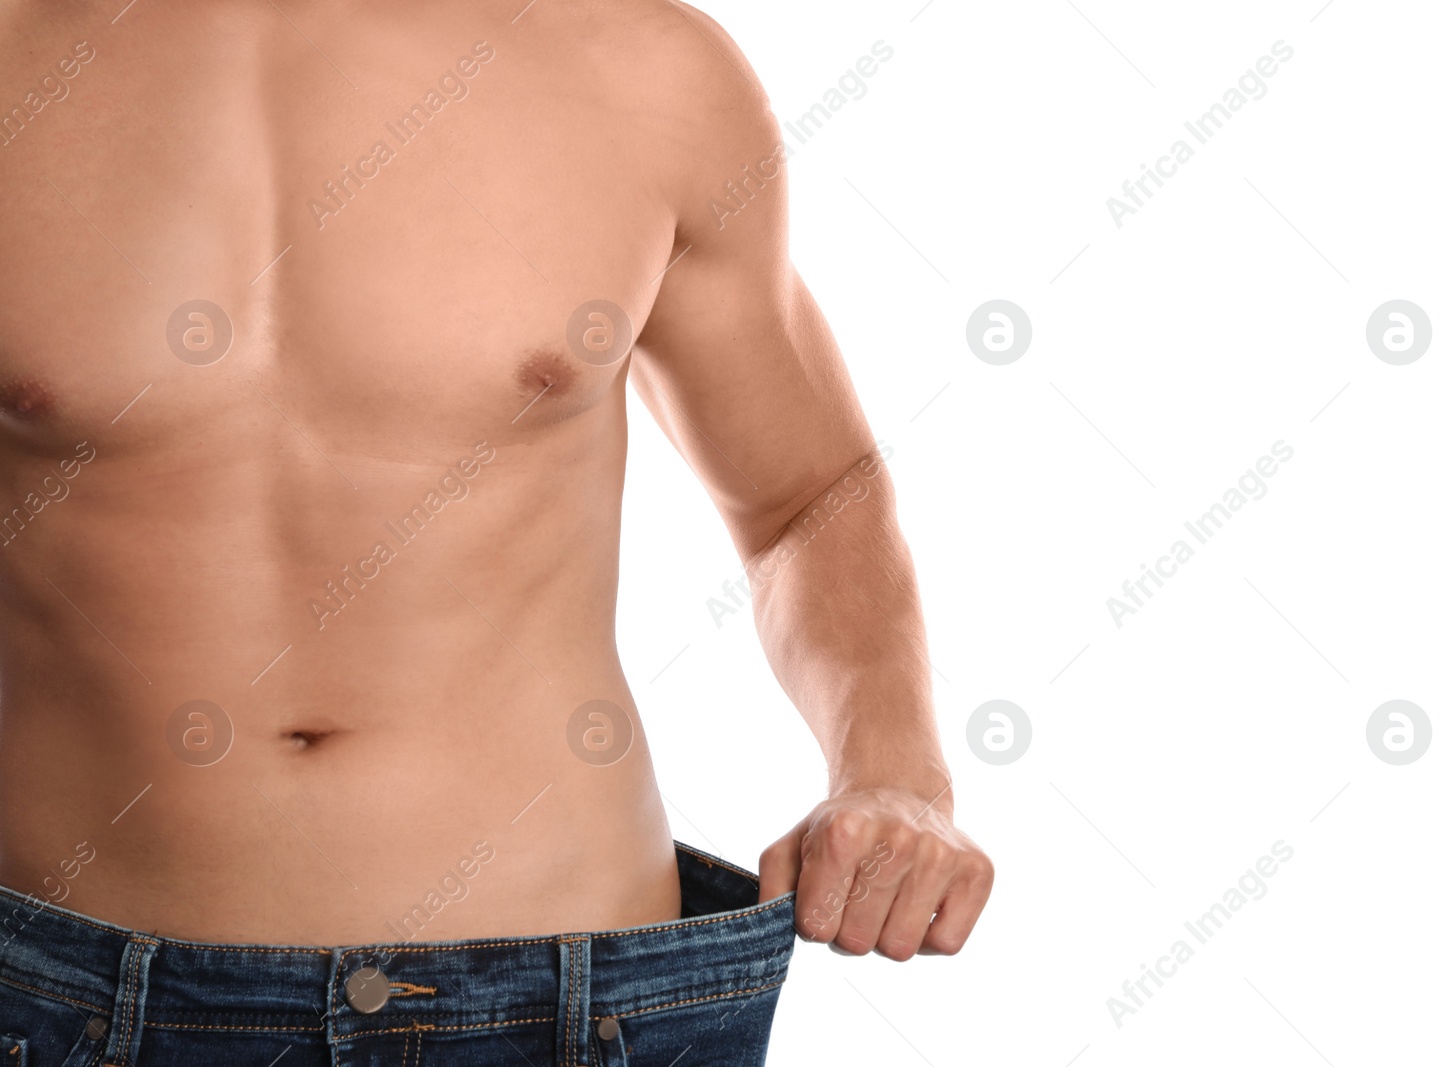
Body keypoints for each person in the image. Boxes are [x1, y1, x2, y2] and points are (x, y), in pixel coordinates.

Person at [0, 1, 993, 1063]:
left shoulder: (638, 66)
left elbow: (805, 494)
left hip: (572, 1006)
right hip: (62, 996)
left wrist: (895, 771)